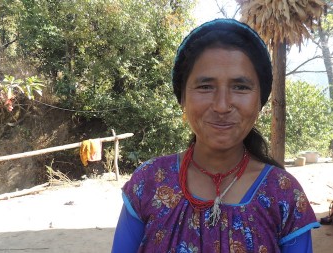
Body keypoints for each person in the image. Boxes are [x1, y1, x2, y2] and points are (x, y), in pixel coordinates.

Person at [111, 18, 320, 253]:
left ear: (259, 101)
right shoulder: (149, 182)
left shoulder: (283, 193)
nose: (222, 106)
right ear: (182, 98)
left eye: (240, 87)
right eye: (205, 86)